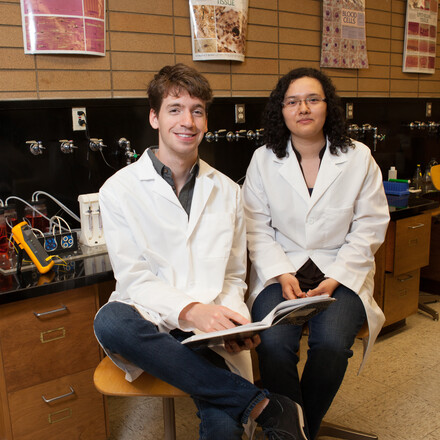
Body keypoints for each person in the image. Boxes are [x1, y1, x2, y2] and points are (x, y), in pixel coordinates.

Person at [93, 63, 308, 440]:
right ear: (155, 117)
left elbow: (234, 277)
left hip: (210, 328)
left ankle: (243, 400)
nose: (187, 121)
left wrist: (235, 322)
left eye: (197, 110)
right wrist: (192, 311)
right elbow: (134, 279)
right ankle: (266, 406)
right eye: (175, 109)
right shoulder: (118, 190)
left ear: (206, 121)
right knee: (110, 321)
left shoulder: (228, 191)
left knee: (223, 427)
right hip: (151, 319)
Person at [242, 67, 390, 440]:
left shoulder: (358, 157)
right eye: (292, 101)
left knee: (332, 346)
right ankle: (293, 430)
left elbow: (370, 225)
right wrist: (281, 273)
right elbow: (255, 226)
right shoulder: (263, 159)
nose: (303, 108)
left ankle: (293, 430)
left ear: (328, 106)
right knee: (273, 345)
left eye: (312, 99)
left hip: (340, 269)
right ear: (281, 110)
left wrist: (337, 277)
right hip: (282, 269)